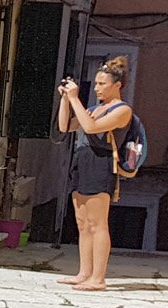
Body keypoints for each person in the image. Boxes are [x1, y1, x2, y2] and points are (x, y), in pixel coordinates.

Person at [56, 56, 135, 291]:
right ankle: (84, 272)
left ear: (117, 85)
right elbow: (65, 126)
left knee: (98, 223)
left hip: (101, 164)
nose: (97, 88)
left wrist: (75, 98)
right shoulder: (92, 109)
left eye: (102, 84)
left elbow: (91, 128)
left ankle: (98, 278)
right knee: (82, 222)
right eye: (97, 83)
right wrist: (65, 100)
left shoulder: (122, 110)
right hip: (82, 161)